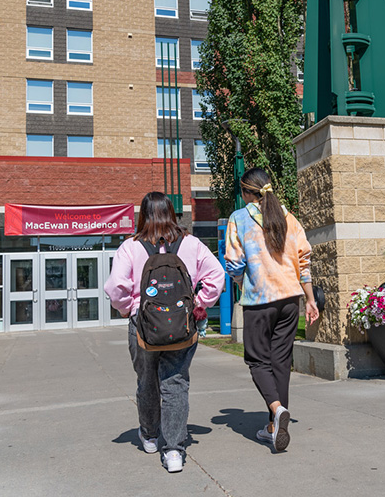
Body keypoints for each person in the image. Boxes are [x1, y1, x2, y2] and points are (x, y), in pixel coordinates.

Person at [105, 191, 225, 473]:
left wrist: (127, 309)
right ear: (172, 213)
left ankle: (149, 435)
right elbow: (216, 276)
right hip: (182, 325)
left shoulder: (131, 247)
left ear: (143, 215)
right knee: (176, 383)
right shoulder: (191, 244)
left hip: (143, 326)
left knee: (146, 380)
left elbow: (114, 288)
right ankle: (173, 450)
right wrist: (200, 303)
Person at [224, 168, 319, 453]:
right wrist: (311, 299)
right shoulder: (289, 218)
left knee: (256, 360)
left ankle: (277, 409)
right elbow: (304, 261)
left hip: (259, 300)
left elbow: (233, 263)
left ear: (246, 193)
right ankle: (273, 425)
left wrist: (244, 282)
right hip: (291, 300)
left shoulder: (239, 219)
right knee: (280, 362)